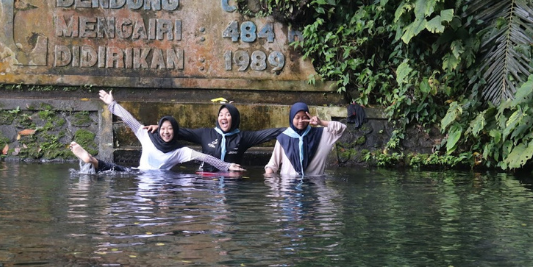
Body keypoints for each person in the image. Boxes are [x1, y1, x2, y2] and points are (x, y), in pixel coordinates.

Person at [69, 90, 245, 173]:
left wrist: (228, 166)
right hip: (142, 175)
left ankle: (91, 161)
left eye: (170, 129)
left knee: (116, 171)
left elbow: (205, 158)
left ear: (175, 132)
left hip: (156, 183)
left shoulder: (180, 151)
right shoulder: (146, 135)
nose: (166, 132)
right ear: (159, 129)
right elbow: (129, 119)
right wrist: (112, 103)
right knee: (116, 169)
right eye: (163, 129)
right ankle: (89, 159)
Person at [147, 103, 285, 171]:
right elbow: (180, 131)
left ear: (235, 118)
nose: (223, 117)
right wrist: (160, 128)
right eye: (221, 114)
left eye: (228, 114)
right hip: (206, 179)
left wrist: (295, 129)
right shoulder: (206, 134)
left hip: (231, 181)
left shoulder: (242, 137)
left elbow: (269, 134)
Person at [264, 102, 347, 178]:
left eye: (304, 118)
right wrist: (269, 180)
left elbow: (341, 128)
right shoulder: (284, 138)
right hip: (289, 188)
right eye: (297, 118)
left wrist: (321, 122)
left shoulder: (320, 134)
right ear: (291, 118)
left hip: (315, 186)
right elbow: (272, 165)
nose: (301, 121)